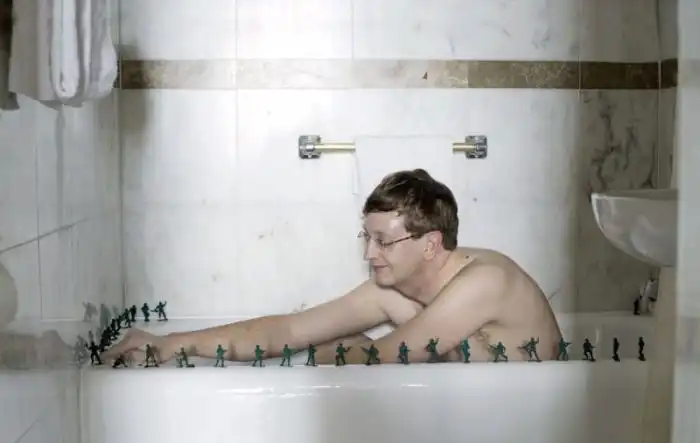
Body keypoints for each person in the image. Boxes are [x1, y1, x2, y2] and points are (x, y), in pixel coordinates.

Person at [105, 169, 562, 365]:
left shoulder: (484, 282)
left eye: (383, 241)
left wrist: (332, 354)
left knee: (344, 351)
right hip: (473, 420)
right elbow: (289, 330)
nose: (369, 254)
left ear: (430, 245)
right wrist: (171, 343)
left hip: (534, 431)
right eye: (367, 237)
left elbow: (382, 358)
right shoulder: (394, 289)